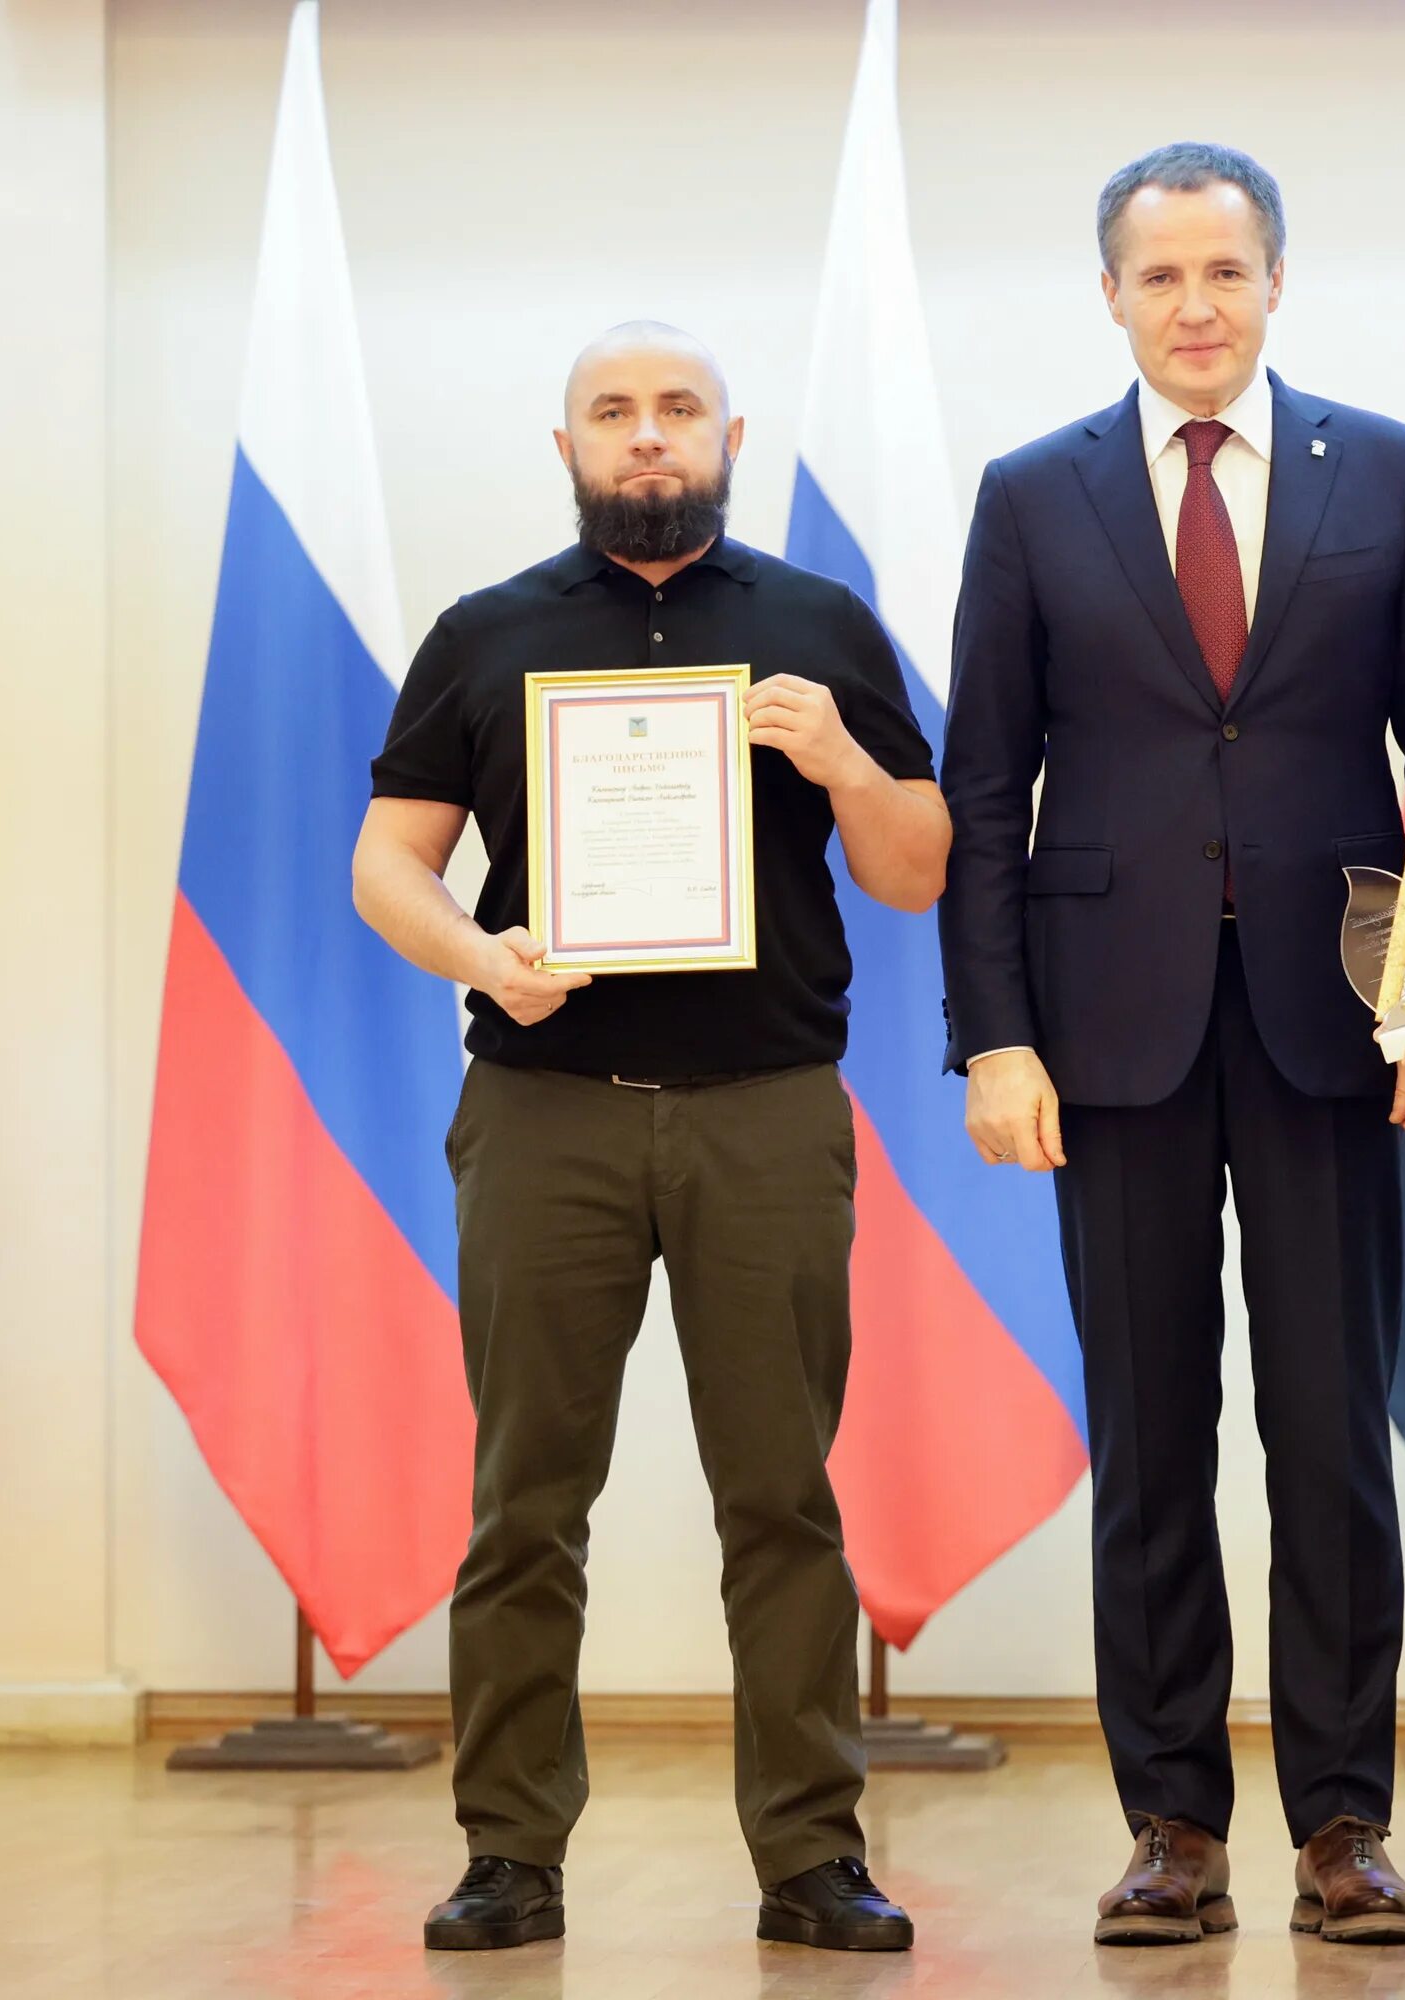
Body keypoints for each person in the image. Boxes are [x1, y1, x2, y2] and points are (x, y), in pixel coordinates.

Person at [937, 143, 1405, 1948]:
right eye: (1158, 277)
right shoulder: (1033, 496)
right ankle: (1173, 1821)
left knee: (1330, 1434)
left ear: (1275, 284)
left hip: (1336, 1028)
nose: (1194, 306)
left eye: (1224, 274)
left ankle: (1344, 1823)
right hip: (1110, 1040)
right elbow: (986, 790)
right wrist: (992, 1040)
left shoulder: (1387, 471)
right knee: (1154, 1438)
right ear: (1110, 295)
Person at [354, 322, 943, 1956]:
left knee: (784, 1498)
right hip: (545, 1122)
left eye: (677, 408)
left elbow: (917, 866)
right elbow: (389, 863)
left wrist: (836, 752)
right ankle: (509, 1855)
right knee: (525, 1499)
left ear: (729, 433)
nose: (648, 436)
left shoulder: (818, 627)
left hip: (765, 1115)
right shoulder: (487, 636)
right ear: (568, 450)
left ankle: (812, 1857)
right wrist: (481, 956)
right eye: (612, 413)